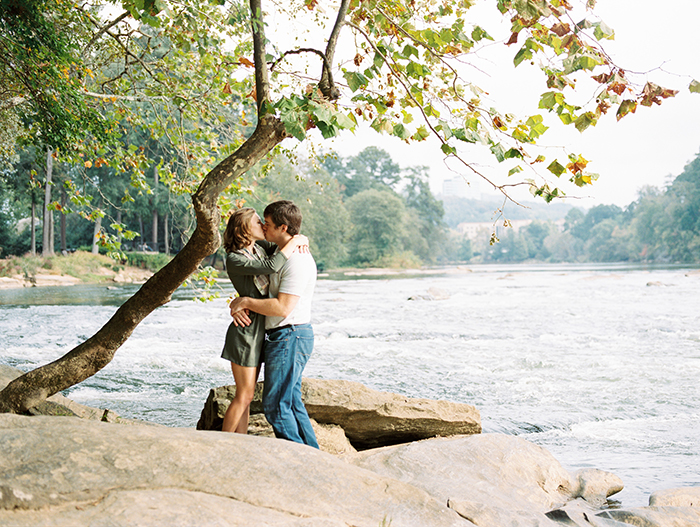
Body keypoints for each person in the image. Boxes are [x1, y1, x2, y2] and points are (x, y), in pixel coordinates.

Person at [228, 200, 319, 448]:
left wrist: (244, 301)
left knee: (276, 406)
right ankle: (313, 456)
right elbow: (269, 266)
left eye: (266, 223)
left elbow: (282, 307)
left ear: (281, 227)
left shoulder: (295, 259)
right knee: (289, 401)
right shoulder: (270, 252)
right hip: (274, 334)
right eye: (259, 223)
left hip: (290, 335)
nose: (263, 226)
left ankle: (301, 459)